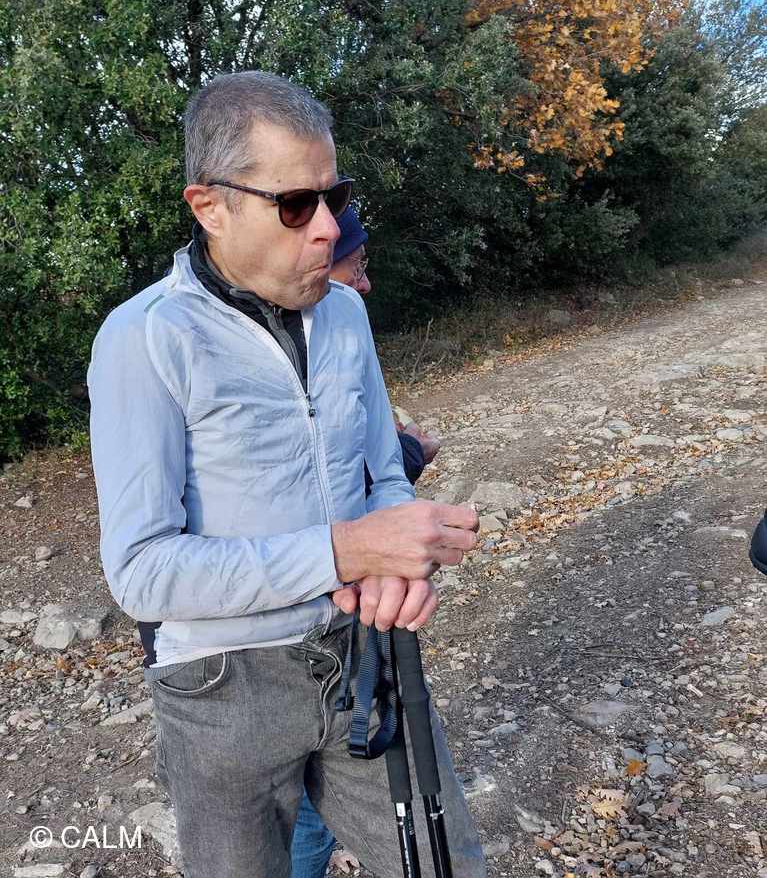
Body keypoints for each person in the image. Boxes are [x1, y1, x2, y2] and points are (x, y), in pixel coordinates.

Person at [87, 71, 485, 878]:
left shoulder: (346, 313)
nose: (328, 229)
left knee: (448, 865)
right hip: (220, 689)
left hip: (363, 654)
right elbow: (141, 573)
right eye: (296, 204)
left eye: (333, 197)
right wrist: (348, 552)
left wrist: (392, 568)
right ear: (210, 207)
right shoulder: (145, 338)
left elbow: (381, 472)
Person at [291, 207, 441, 878]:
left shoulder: (339, 328)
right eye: (357, 266)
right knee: (302, 800)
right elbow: (326, 485)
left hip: (332, 613)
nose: (365, 282)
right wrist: (411, 453)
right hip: (288, 632)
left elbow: (352, 472)